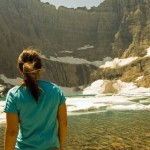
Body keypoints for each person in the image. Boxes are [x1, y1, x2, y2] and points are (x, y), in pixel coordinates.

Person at [3, 49, 67, 150]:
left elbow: (12, 132)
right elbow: (63, 124)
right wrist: (61, 147)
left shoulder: (14, 95)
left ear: (20, 69)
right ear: (40, 67)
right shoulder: (55, 91)